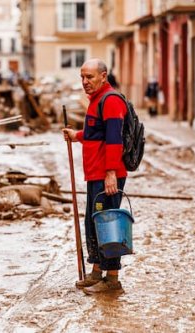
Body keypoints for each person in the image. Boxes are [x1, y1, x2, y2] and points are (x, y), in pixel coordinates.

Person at [62, 59, 128, 294]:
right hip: (96, 174)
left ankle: (112, 279)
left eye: (89, 77)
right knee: (93, 222)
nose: (85, 82)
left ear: (103, 76)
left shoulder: (110, 100)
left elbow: (114, 139)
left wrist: (111, 173)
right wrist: (76, 135)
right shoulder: (97, 101)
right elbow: (95, 132)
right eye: (82, 77)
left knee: (108, 224)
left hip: (106, 175)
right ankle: (96, 272)